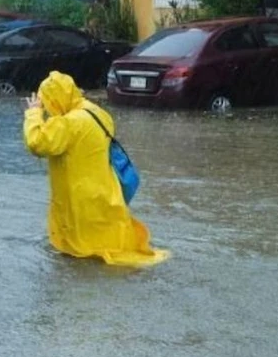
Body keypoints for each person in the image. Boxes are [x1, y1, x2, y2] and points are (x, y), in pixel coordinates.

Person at [23, 71, 169, 267]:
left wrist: (33, 113)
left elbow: (37, 143)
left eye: (48, 103)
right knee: (105, 240)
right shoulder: (96, 112)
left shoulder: (69, 124)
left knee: (80, 251)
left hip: (80, 198)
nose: (49, 109)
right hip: (105, 189)